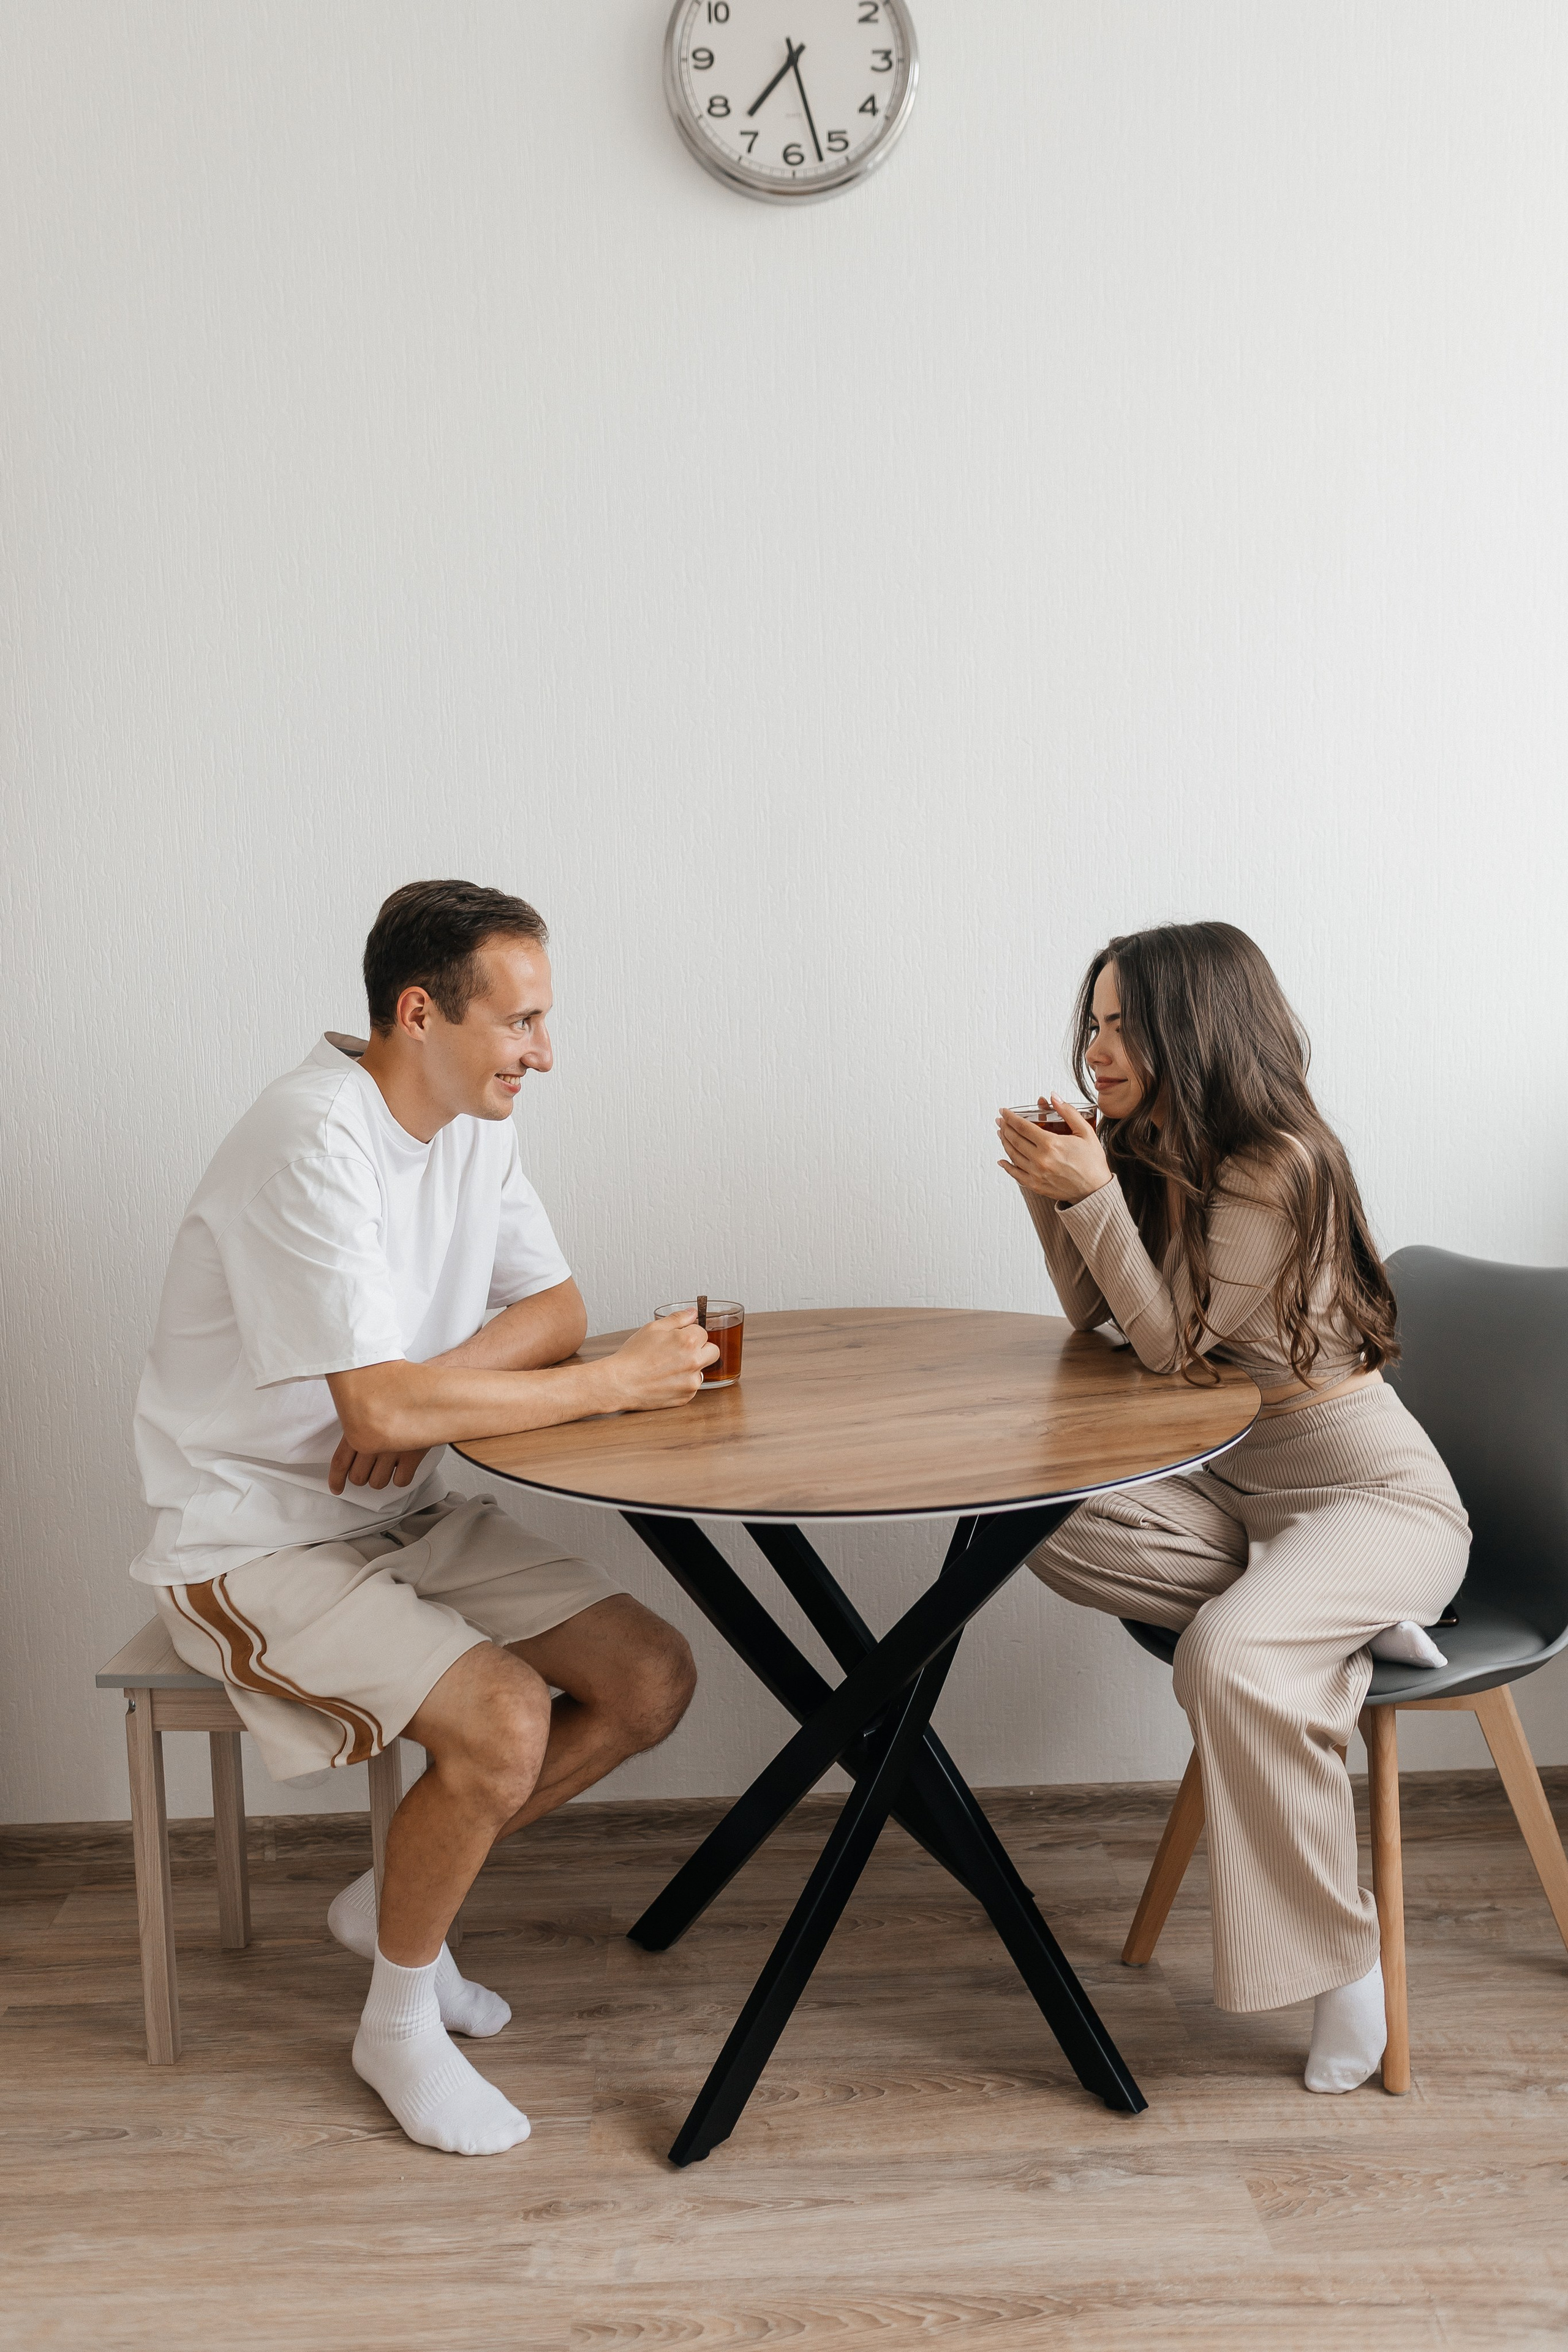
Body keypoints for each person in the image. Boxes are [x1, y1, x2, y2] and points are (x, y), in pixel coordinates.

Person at [131, 878, 716, 2156]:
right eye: (520, 1023)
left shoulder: (472, 1120)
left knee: (649, 1678)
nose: (543, 1053)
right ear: (418, 1013)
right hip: (250, 1537)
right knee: (505, 1714)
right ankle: (395, 2023)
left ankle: (387, 1898)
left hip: (392, 1511)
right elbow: (393, 1403)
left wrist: (422, 1398)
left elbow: (551, 1310)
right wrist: (595, 1387)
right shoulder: (312, 1136)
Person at [995, 921, 1469, 2095]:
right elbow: (1092, 1320)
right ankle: (1328, 1618)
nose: (1098, 1047)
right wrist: (1059, 1195)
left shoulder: (1276, 1161)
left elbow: (1170, 1347)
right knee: (1038, 1513)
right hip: (1236, 1484)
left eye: (1124, 1025)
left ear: (1193, 1028)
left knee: (1228, 1654)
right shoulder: (1151, 1146)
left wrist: (1093, 1193)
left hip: (1364, 1485)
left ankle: (1341, 1960)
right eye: (1093, 1022)